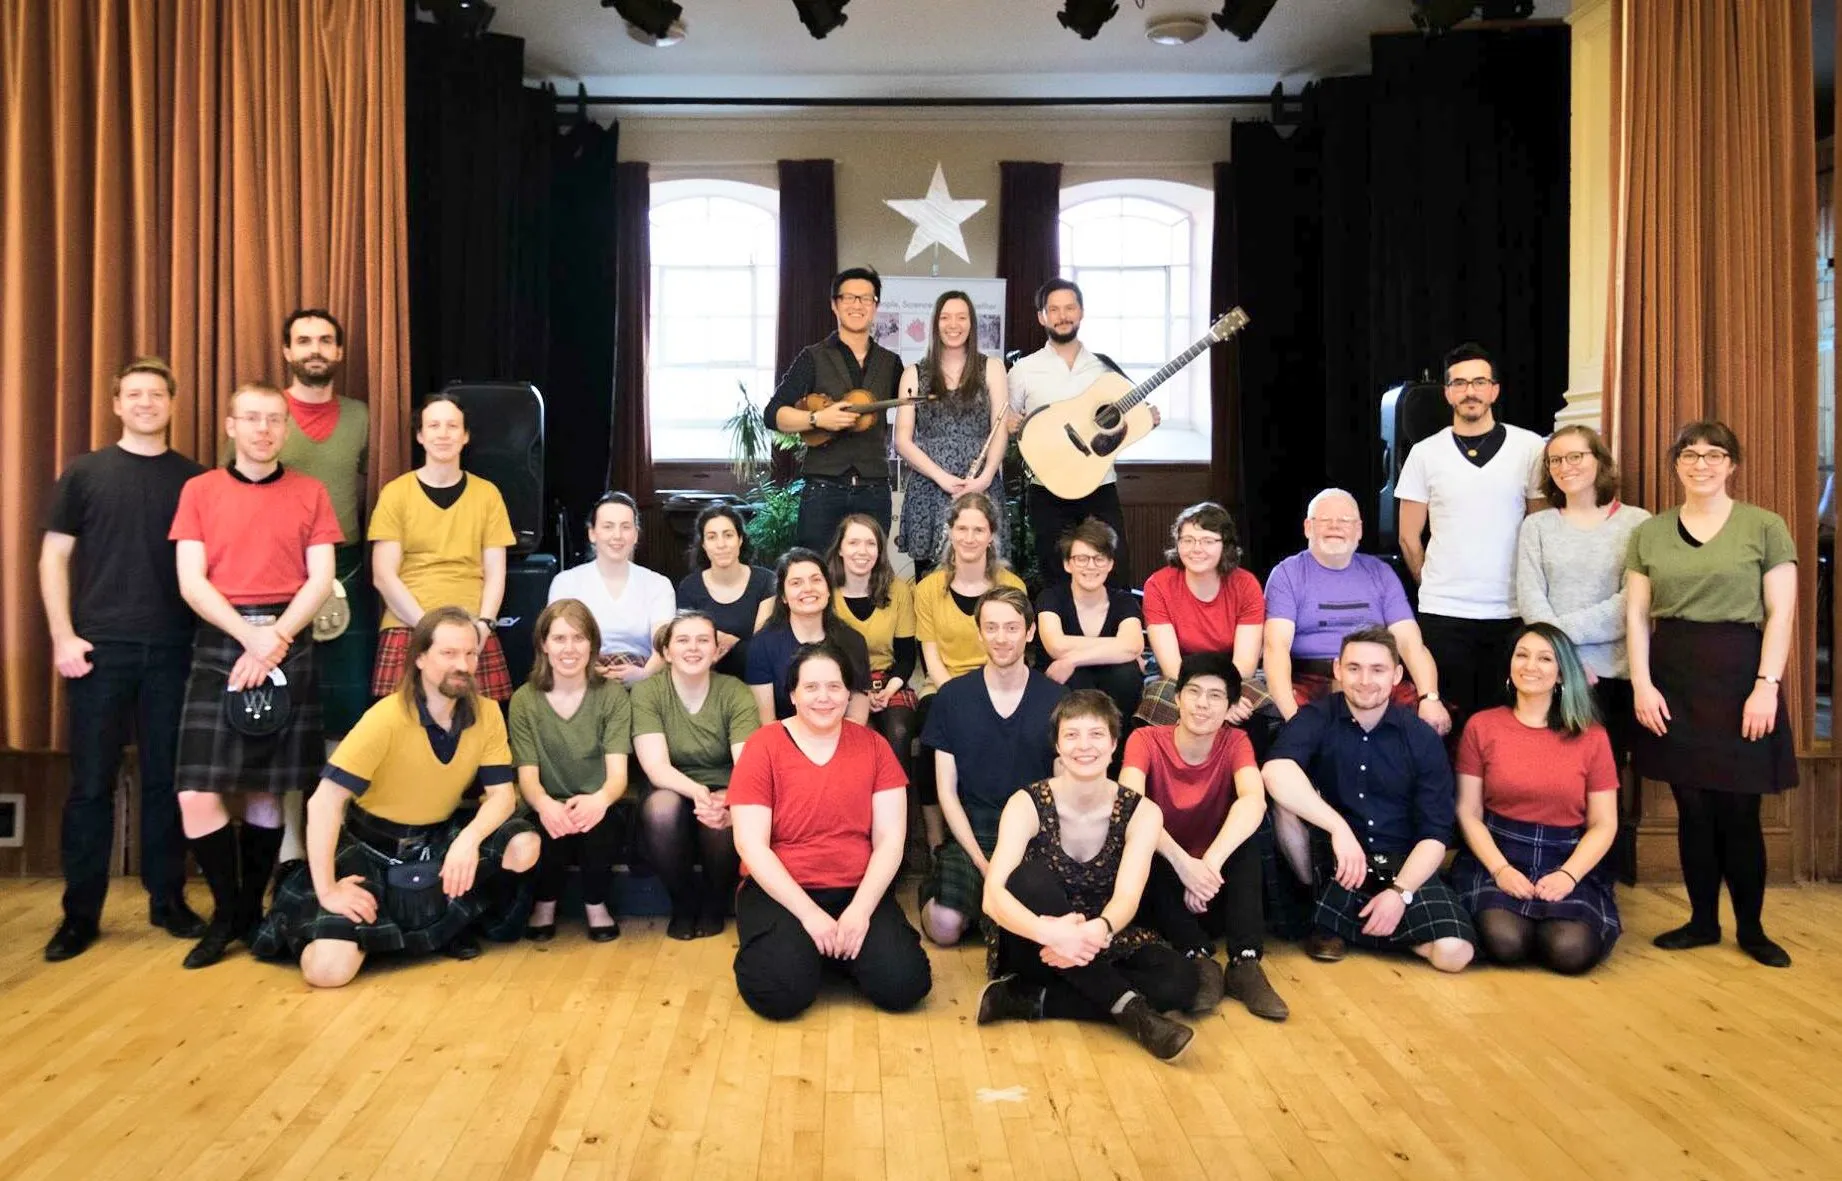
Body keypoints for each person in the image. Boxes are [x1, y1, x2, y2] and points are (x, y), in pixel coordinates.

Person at [251, 607, 542, 985]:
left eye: (470, 654)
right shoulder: (385, 718)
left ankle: (425, 922)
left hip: (437, 840)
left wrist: (467, 841)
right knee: (327, 972)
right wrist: (327, 890)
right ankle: (367, 924)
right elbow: (323, 801)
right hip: (369, 848)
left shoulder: (487, 713)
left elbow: (503, 796)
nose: (464, 665)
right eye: (449, 654)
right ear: (419, 658)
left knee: (524, 845)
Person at [169, 382, 342, 968]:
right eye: (252, 418)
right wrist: (252, 639)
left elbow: (320, 580)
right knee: (196, 793)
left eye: (274, 419)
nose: (263, 428)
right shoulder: (199, 490)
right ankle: (230, 911)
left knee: (268, 792)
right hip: (223, 637)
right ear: (230, 425)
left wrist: (276, 640)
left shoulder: (311, 492)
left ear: (285, 429)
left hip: (288, 635)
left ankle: (247, 909)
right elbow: (191, 581)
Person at [39, 357, 206, 961]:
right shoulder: (84, 473)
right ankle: (79, 916)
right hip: (98, 650)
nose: (145, 403)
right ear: (117, 404)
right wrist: (63, 635)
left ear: (171, 402)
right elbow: (54, 557)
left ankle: (169, 901)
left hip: (174, 650)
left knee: (167, 781)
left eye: (156, 394)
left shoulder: (194, 480)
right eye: (134, 394)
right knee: (90, 786)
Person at [1627, 421, 1798, 967]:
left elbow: (1782, 613)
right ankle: (1702, 922)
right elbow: (1635, 615)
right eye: (1690, 454)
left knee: (1740, 811)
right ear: (1675, 464)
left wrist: (1766, 686)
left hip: (1742, 676)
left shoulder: (1764, 526)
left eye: (1714, 454)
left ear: (1732, 464)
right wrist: (1642, 683)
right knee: (1692, 808)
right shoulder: (1649, 532)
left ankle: (1751, 929)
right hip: (1672, 676)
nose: (1701, 464)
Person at [977, 691, 1198, 1063]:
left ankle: (1028, 999)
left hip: (1102, 938)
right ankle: (1133, 1012)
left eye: (1096, 735)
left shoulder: (1142, 812)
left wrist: (1100, 929)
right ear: (1058, 746)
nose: (1084, 746)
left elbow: (1128, 895)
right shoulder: (1026, 803)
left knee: (1181, 983)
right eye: (1072, 735)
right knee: (1027, 878)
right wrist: (1052, 933)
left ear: (1114, 744)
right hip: (1033, 939)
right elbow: (992, 896)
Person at [729, 641, 932, 1020]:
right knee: (779, 996)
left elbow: (890, 841)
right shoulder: (763, 746)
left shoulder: (874, 747)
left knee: (905, 986)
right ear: (792, 694)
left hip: (856, 889)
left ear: (849, 693)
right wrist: (809, 915)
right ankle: (812, 950)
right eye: (811, 687)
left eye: (834, 687)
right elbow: (750, 845)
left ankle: (829, 951)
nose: (824, 697)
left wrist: (860, 911)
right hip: (783, 891)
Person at [1261, 628, 1476, 973]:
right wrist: (1338, 828)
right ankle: (1322, 911)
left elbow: (1436, 833)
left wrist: (1401, 893)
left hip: (1401, 864)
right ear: (1337, 670)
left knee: (1455, 953)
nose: (1365, 680)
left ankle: (1343, 925)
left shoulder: (1420, 736)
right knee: (1284, 801)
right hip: (1335, 865)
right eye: (1354, 668)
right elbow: (1274, 772)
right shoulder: (1317, 716)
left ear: (1397, 675)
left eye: (1377, 670)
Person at [1119, 652, 1288, 1021]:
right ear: (1176, 698)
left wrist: (1206, 866)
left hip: (1210, 888)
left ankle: (1245, 963)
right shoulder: (1144, 740)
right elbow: (1130, 804)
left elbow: (1253, 801)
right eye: (1193, 692)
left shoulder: (1236, 742)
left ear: (1229, 706)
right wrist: (1184, 866)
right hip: (1164, 890)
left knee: (1247, 838)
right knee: (1144, 844)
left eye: (1215, 696)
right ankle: (1199, 958)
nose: (1202, 704)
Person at [1395, 342, 1546, 740]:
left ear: (1495, 390)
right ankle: (1454, 803)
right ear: (1447, 393)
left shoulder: (1530, 448)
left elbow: (1541, 529)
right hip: (1445, 612)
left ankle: (1499, 800)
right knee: (1449, 723)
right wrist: (1431, 584)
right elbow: (1409, 537)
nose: (1470, 391)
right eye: (1459, 383)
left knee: (1508, 720)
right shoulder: (1425, 454)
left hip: (1512, 609)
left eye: (1479, 381)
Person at [1450, 623, 1621, 974]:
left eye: (1545, 659)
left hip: (1566, 854)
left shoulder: (1593, 737)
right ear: (1510, 665)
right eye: (1522, 655)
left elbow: (1605, 824)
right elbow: (1468, 812)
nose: (1531, 666)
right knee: (1505, 942)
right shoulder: (1482, 726)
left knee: (1569, 951)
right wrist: (1500, 870)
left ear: (1561, 674)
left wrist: (1569, 876)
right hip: (1498, 850)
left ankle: (1550, 920)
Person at [269, 310, 373, 871]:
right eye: (304, 340)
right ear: (286, 350)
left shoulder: (360, 417)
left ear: (338, 352)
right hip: (275, 576)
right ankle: (289, 845)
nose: (315, 349)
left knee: (344, 711)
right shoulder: (266, 415)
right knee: (286, 712)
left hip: (347, 571)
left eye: (325, 341)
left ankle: (333, 836)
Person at [917, 587, 1065, 946]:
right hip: (973, 828)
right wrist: (986, 868)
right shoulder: (951, 698)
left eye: (1012, 628)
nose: (1002, 638)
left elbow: (1063, 790)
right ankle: (954, 893)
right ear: (979, 632)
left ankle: (991, 912)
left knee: (1043, 914)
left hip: (1034, 831)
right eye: (992, 627)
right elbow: (946, 794)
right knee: (943, 927)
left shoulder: (1057, 698)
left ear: (1029, 632)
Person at [1516, 426, 1650, 783]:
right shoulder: (1537, 526)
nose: (1565, 466)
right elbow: (1531, 599)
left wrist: (1563, 641)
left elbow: (1630, 604)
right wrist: (1567, 660)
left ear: (1600, 461)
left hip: (1612, 676)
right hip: (1552, 675)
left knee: (1606, 785)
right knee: (1552, 781)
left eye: (1576, 456)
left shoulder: (1637, 523)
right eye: (1555, 460)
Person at [369, 393, 518, 703]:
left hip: (472, 628)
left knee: (480, 729)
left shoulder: (487, 495)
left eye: (452, 426)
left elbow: (495, 572)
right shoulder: (395, 493)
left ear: (465, 437)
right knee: (404, 732)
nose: (443, 433)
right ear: (421, 436)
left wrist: (484, 626)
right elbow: (383, 575)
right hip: (409, 625)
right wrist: (430, 630)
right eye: (434, 425)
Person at [1263, 488, 1448, 734]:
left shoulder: (1381, 573)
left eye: (1344, 521)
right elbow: (1275, 649)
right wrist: (1293, 717)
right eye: (1325, 520)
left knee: (1429, 724)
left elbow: (1410, 644)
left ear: (1359, 530)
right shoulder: (1287, 574)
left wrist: (1430, 698)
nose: (1335, 527)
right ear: (1308, 527)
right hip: (1312, 680)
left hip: (1375, 678)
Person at [1005, 278, 1150, 587]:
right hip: (1047, 489)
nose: (1063, 315)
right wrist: (1008, 423)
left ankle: (1116, 635)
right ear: (1042, 317)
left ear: (1081, 313)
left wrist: (1147, 417)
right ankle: (1060, 636)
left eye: (1070, 307)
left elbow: (1131, 418)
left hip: (1100, 485)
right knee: (1055, 573)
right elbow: (1005, 419)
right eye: (1054, 309)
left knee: (1114, 570)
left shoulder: (1104, 368)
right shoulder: (1023, 371)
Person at [633, 611, 761, 940]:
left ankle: (716, 900)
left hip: (727, 781)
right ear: (666, 652)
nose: (693, 648)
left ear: (716, 651)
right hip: (671, 783)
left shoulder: (735, 692)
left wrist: (723, 799)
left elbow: (747, 764)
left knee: (721, 815)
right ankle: (683, 902)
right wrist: (699, 792)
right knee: (660, 809)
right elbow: (656, 767)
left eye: (703, 640)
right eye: (683, 640)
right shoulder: (648, 693)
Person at [509, 599, 631, 943]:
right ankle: (544, 905)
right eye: (559, 639)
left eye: (579, 638)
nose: (569, 648)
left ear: (592, 644)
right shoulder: (525, 699)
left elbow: (617, 775)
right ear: (544, 645)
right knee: (548, 826)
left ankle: (596, 904)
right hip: (547, 801)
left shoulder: (611, 695)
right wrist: (546, 804)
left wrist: (599, 799)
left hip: (598, 801)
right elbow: (528, 777)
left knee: (601, 824)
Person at [913, 492, 1027, 847]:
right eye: (961, 528)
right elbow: (930, 653)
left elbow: (1014, 648)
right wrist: (958, 697)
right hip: (943, 686)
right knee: (932, 729)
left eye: (979, 529)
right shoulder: (929, 588)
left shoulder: (1011, 586)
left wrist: (982, 696)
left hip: (999, 681)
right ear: (949, 531)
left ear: (991, 535)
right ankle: (936, 838)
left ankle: (1005, 827)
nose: (969, 537)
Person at [765, 266, 904, 551]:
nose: (857, 305)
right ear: (835, 304)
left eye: (866, 298)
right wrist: (817, 418)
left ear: (875, 307)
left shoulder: (891, 362)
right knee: (815, 568)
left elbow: (913, 416)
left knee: (870, 573)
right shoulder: (812, 357)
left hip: (874, 488)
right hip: (823, 488)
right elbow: (773, 414)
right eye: (849, 298)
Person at [894, 289, 1010, 574]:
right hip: (929, 487)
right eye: (945, 317)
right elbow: (902, 440)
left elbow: (1000, 429)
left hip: (980, 486)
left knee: (984, 576)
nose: (953, 324)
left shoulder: (992, 368)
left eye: (961, 317)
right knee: (929, 579)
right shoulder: (913, 373)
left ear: (972, 323)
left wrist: (984, 478)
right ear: (935, 324)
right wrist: (941, 477)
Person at [1137, 502, 1263, 729]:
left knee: (1255, 710)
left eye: (1207, 541)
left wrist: (1224, 697)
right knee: (1161, 702)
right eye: (1188, 540)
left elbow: (1245, 663)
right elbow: (1170, 665)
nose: (1196, 548)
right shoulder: (1158, 585)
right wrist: (1203, 698)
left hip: (1232, 674)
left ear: (1225, 546)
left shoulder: (1246, 584)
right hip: (1179, 674)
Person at [827, 514, 919, 784]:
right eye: (853, 542)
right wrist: (859, 693)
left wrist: (888, 690)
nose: (862, 551)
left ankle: (898, 813)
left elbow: (906, 657)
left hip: (888, 682)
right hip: (842, 686)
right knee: (856, 740)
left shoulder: (898, 590)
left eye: (870, 543)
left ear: (879, 551)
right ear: (840, 549)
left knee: (900, 733)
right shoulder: (825, 591)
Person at [548, 492, 676, 684]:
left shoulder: (658, 584)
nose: (617, 536)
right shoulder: (566, 582)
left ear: (635, 535)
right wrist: (589, 672)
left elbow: (664, 644)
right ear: (592, 533)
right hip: (580, 673)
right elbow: (559, 641)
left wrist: (643, 675)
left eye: (625, 527)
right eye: (608, 527)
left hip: (644, 676)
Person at [1034, 517, 1146, 725]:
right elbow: (1057, 647)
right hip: (1063, 693)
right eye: (1082, 559)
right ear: (1068, 564)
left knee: (1126, 675)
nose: (1091, 566)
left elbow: (1133, 645)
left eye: (1099, 558)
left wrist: (1073, 659)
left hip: (1115, 691)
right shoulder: (1051, 597)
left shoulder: (1123, 601)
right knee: (1075, 677)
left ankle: (1117, 751)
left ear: (1110, 564)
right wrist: (1119, 648)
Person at [745, 547, 872, 724]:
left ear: (828, 590)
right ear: (783, 596)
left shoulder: (853, 641)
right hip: (784, 742)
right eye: (796, 583)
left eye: (816, 580)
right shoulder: (762, 645)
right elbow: (767, 722)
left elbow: (857, 717)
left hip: (842, 740)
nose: (808, 589)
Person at [675, 503, 774, 680]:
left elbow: (762, 651)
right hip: (704, 682)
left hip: (758, 681)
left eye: (728, 535)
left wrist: (731, 641)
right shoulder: (689, 587)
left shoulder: (766, 581)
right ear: (704, 545)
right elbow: (688, 649)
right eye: (712, 537)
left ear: (740, 539)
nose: (721, 544)